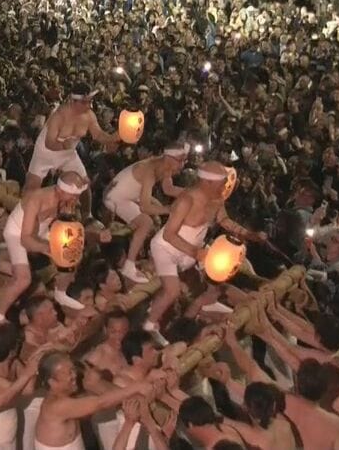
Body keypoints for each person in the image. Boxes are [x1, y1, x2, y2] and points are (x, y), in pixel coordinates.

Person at [144, 162, 234, 334]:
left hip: (191, 252)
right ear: (208, 182)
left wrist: (247, 233)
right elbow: (168, 235)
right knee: (172, 290)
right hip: (166, 248)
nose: (225, 186)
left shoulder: (217, 200)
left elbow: (224, 220)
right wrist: (195, 253)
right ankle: (150, 325)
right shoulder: (186, 200)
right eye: (222, 181)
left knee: (217, 271)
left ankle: (205, 303)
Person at [0, 172, 89, 327]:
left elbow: (65, 224)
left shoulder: (66, 199)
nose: (75, 200)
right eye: (73, 196)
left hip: (42, 230)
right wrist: (48, 248)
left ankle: (61, 292)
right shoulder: (37, 198)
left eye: (77, 196)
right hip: (17, 233)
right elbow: (25, 239)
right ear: (59, 191)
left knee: (72, 253)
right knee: (23, 279)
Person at [33, 350, 155, 450]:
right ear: (52, 381)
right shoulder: (56, 406)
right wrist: (137, 387)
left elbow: (100, 397)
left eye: (73, 369)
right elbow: (100, 403)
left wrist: (96, 383)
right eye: (69, 372)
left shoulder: (69, 398)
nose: (74, 375)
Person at [103, 143, 188, 282]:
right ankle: (129, 266)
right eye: (180, 160)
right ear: (168, 158)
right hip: (115, 197)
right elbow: (145, 207)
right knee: (146, 222)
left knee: (155, 213)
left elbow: (168, 189)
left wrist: (191, 194)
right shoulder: (149, 170)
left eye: (184, 160)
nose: (182, 165)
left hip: (131, 195)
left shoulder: (165, 167)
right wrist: (168, 210)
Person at [24, 84, 119, 193]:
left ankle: (86, 211)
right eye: (84, 102)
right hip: (45, 153)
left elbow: (98, 135)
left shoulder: (89, 115)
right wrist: (64, 145)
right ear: (73, 101)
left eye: (90, 101)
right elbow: (49, 143)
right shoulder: (59, 115)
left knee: (84, 185)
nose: (88, 105)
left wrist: (114, 137)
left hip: (68, 153)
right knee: (31, 187)